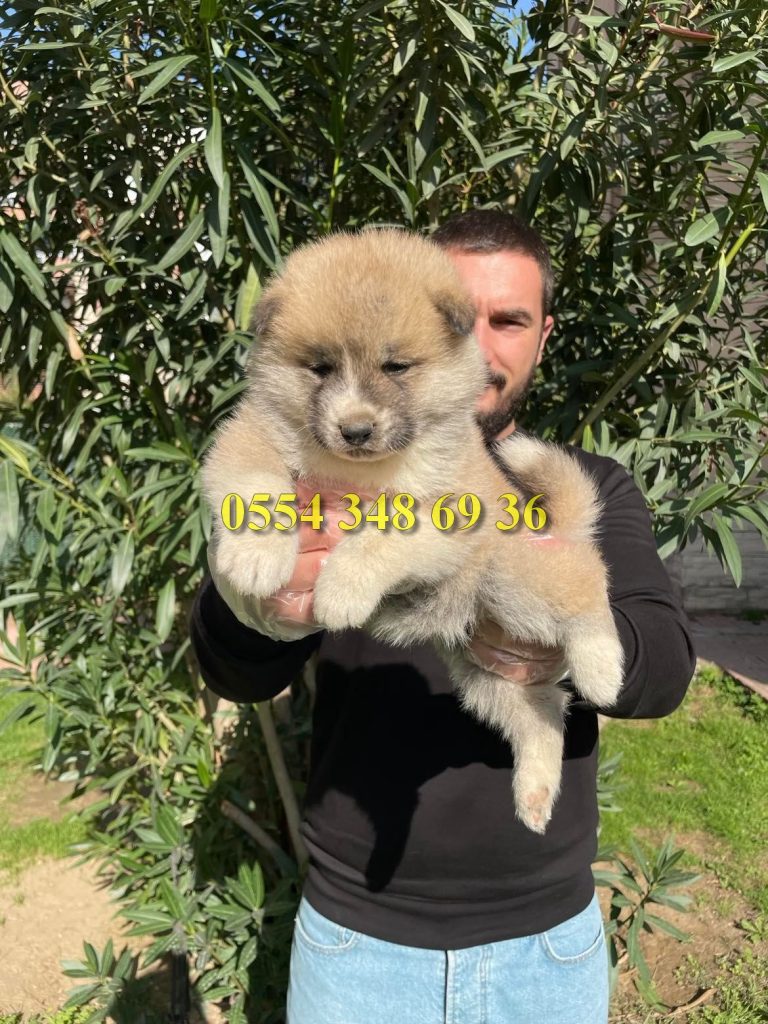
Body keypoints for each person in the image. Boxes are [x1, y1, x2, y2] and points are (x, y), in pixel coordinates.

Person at [188, 209, 696, 1024]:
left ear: (543, 334)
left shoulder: (594, 478)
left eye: (510, 320)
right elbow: (234, 668)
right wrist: (261, 602)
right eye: (473, 315)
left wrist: (564, 641)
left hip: (544, 934)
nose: (486, 346)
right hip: (357, 933)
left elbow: (663, 665)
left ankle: (546, 709)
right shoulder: (298, 432)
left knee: (522, 597)